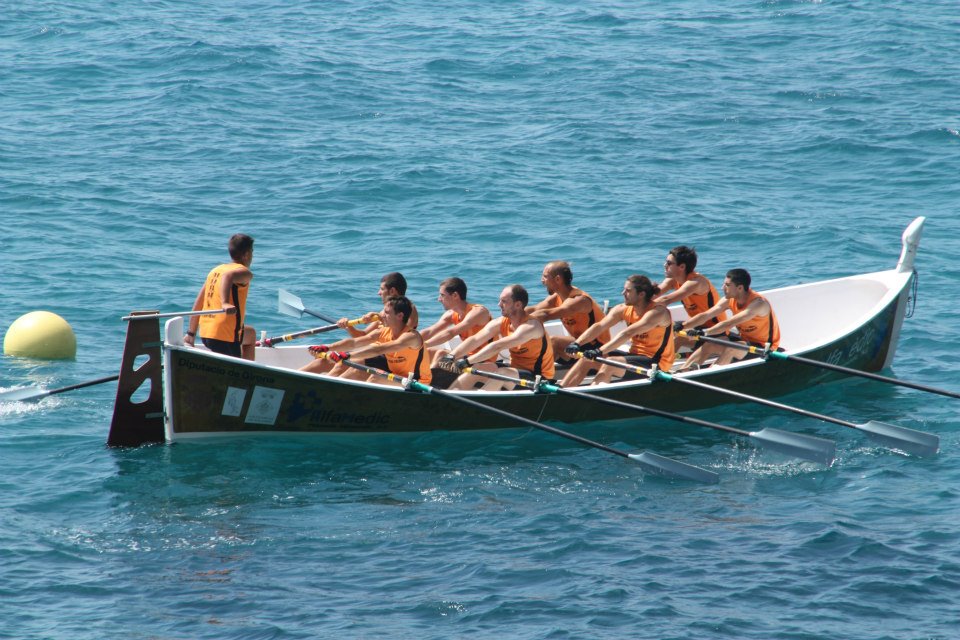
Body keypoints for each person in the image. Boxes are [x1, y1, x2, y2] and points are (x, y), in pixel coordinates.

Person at [561, 275, 675, 386]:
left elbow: (627, 333)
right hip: (634, 356)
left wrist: (599, 351)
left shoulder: (658, 313)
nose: (622, 293)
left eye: (628, 291)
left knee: (610, 363)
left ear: (641, 294)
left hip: (657, 363)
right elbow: (600, 326)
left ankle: (595, 393)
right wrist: (577, 343)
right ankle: (561, 390)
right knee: (587, 359)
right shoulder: (623, 309)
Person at [301, 295, 431, 387]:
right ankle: (327, 390)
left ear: (400, 316)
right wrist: (328, 347)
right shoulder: (384, 331)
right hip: (396, 374)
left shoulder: (411, 336)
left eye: (386, 312)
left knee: (375, 378)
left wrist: (348, 355)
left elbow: (380, 349)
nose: (381, 315)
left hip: (417, 381)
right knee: (355, 368)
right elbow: (355, 342)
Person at [444, 284, 555, 391]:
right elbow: (475, 339)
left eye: (504, 301)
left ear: (518, 305)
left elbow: (497, 346)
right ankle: (451, 395)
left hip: (538, 379)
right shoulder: (501, 323)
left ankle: (481, 398)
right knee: (478, 367)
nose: (499, 304)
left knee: (503, 373)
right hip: (515, 372)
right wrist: (451, 356)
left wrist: (467, 362)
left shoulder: (531, 327)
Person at [679, 268, 781, 369]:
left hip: (764, 348)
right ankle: (684, 370)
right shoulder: (729, 299)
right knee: (710, 344)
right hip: (744, 342)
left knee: (731, 348)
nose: (722, 287)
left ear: (740, 288)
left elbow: (729, 323)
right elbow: (706, 315)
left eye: (727, 285)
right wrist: (682, 326)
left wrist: (704, 332)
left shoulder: (758, 304)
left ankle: (712, 373)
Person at [184, 233, 256, 360]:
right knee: (236, 370)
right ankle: (244, 373)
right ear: (246, 254)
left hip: (206, 333)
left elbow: (199, 302)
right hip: (225, 336)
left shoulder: (216, 270)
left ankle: (249, 370)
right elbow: (228, 276)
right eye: (252, 251)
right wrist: (225, 303)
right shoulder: (244, 272)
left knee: (250, 335)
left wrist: (191, 334)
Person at [526, 260, 610, 367]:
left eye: (545, 276)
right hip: (578, 346)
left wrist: (521, 319)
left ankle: (537, 373)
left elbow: (546, 315)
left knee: (554, 341)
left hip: (597, 350)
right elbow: (535, 309)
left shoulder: (579, 300)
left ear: (558, 279)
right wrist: (511, 314)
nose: (542, 280)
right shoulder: (556, 297)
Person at [418, 277, 494, 388]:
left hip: (484, 360)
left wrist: (424, 344)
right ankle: (427, 381)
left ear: (455, 295)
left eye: (442, 295)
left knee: (433, 351)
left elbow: (451, 333)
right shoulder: (451, 314)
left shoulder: (478, 312)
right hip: (466, 357)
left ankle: (430, 383)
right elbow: (430, 331)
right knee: (436, 353)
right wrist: (407, 341)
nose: (439, 299)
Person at [654, 245, 727, 351]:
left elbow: (666, 300)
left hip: (715, 330)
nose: (664, 265)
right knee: (660, 325)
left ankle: (662, 360)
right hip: (696, 326)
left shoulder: (696, 282)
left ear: (682, 267)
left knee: (678, 339)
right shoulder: (673, 279)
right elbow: (655, 294)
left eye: (669, 263)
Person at [338, 271, 419, 338]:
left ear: (392, 291)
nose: (379, 293)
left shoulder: (410, 309)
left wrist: (381, 318)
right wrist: (348, 326)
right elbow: (363, 335)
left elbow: (401, 337)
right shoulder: (385, 312)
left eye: (382, 289)